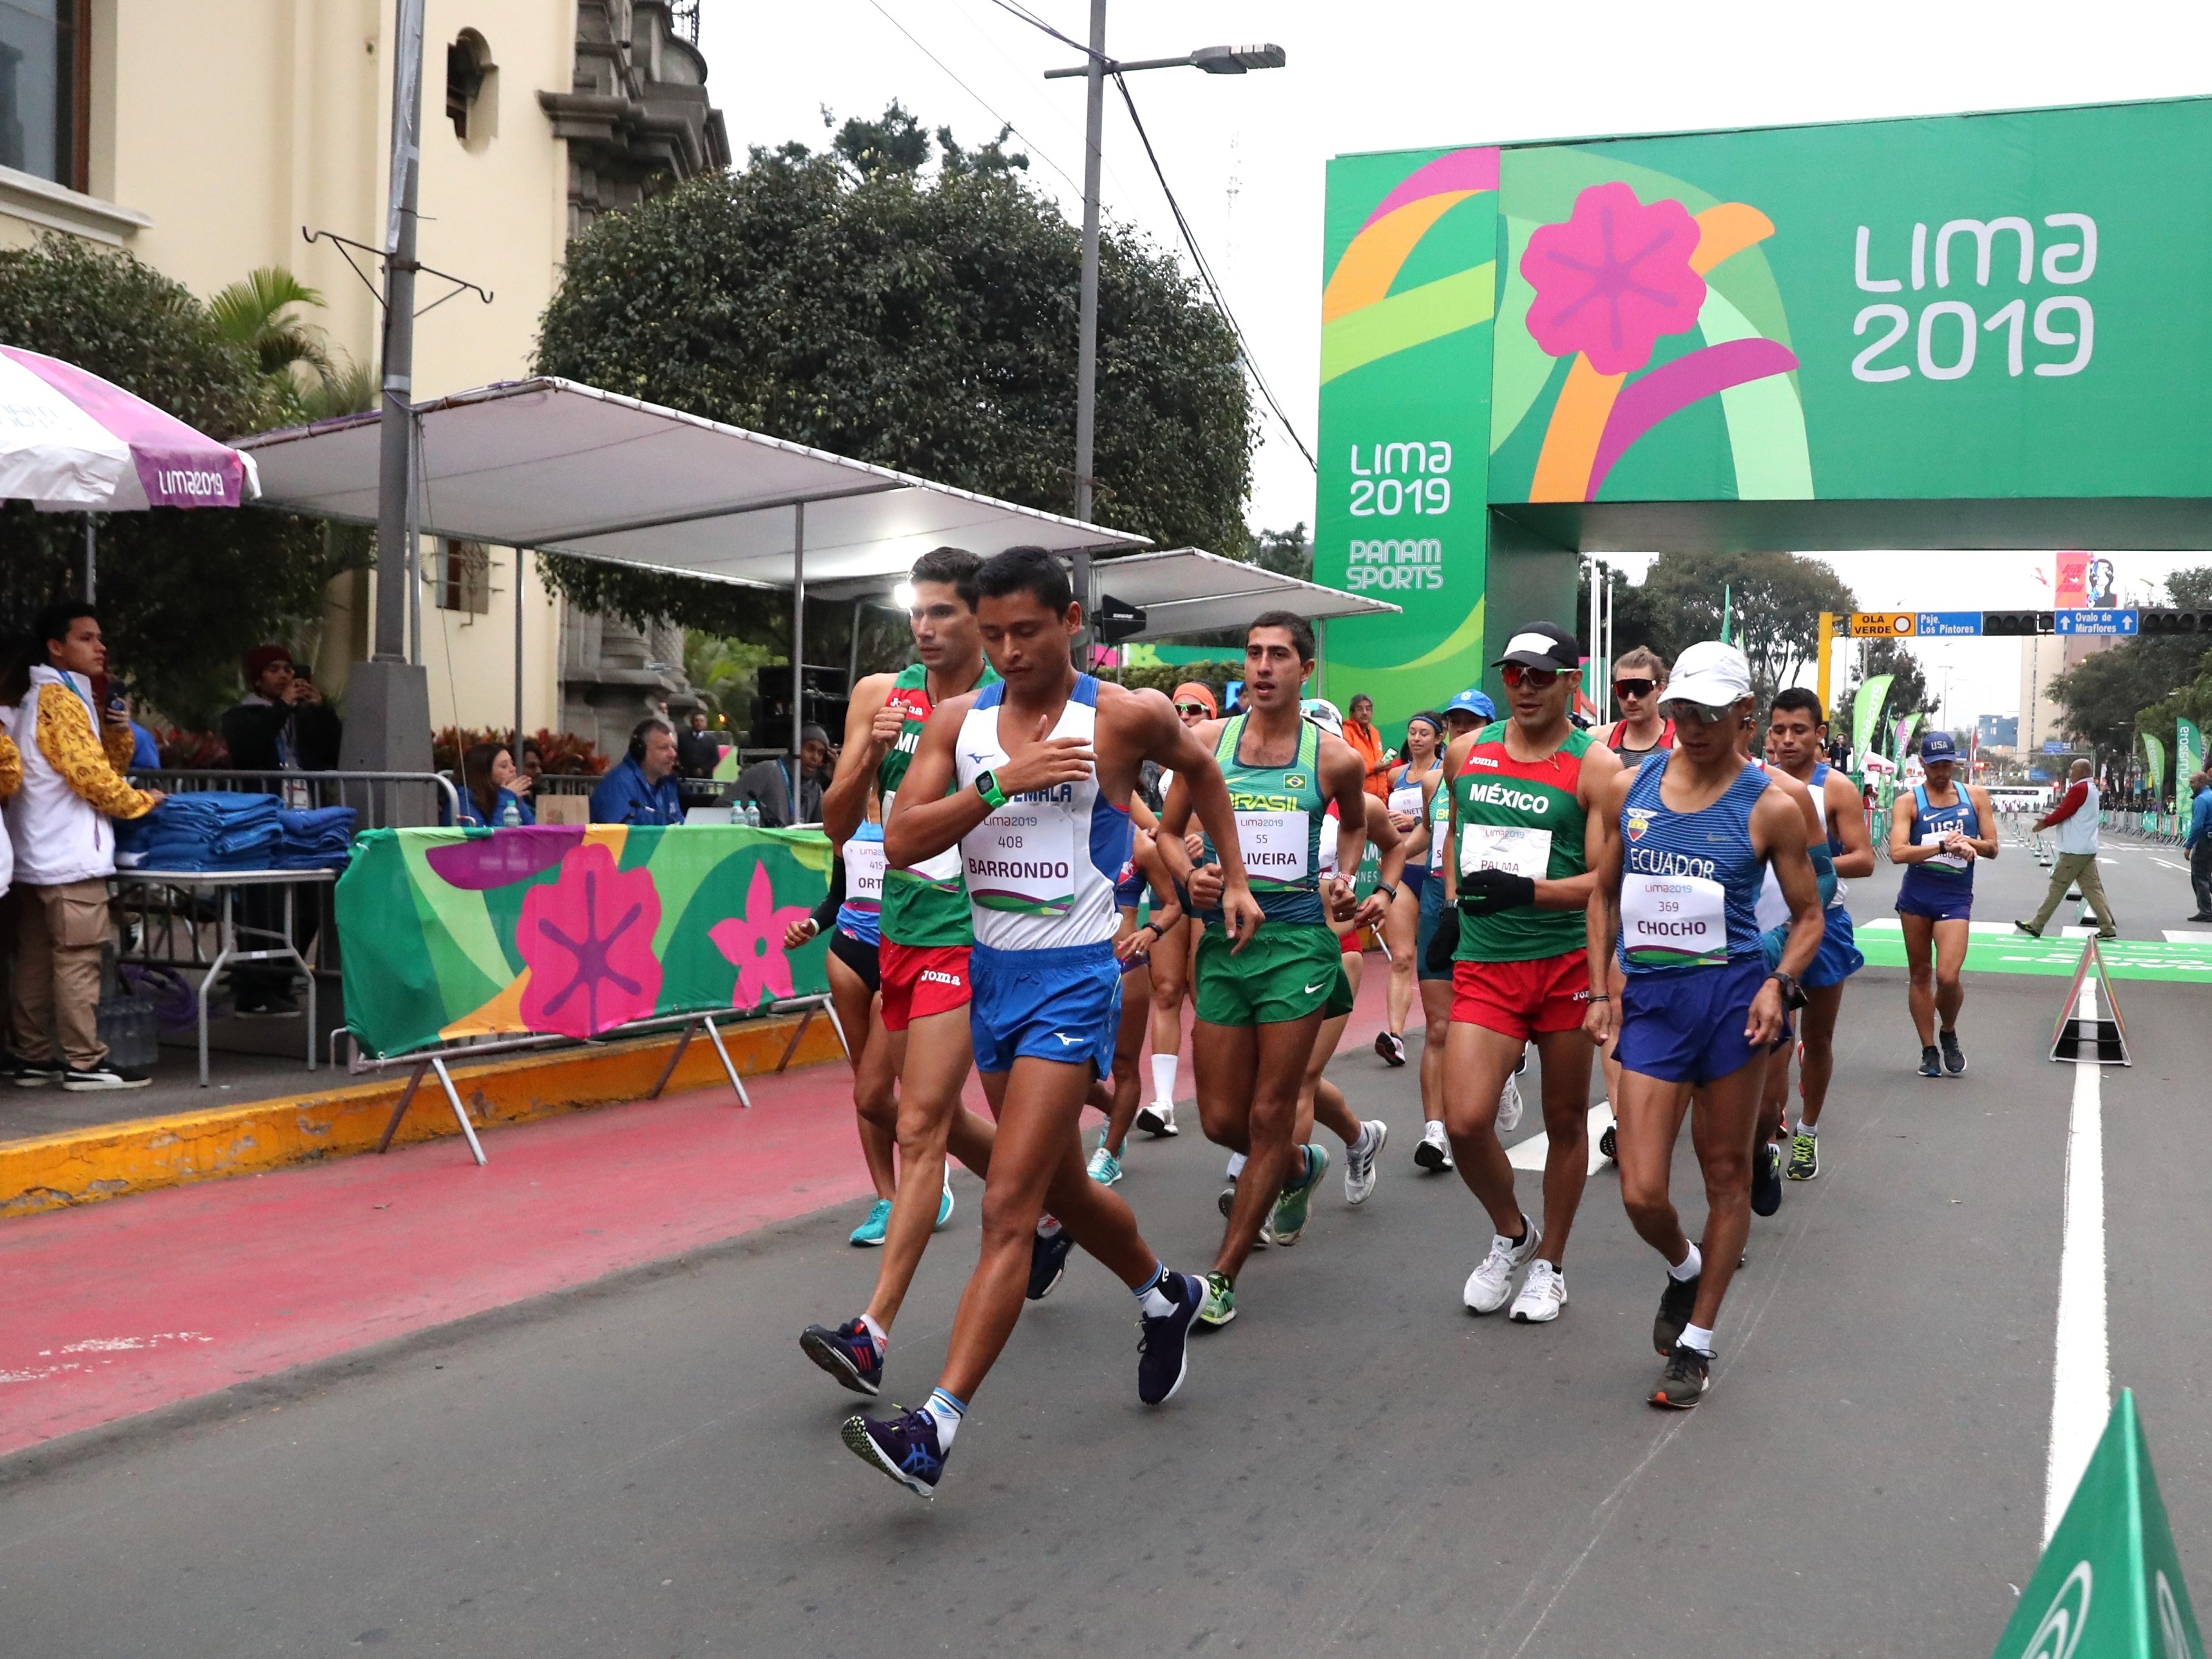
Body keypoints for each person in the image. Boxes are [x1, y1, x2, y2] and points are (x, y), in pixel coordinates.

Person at [839, 545, 1256, 1497]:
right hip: (992, 976)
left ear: (1072, 622)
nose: (1009, 649)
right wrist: (1000, 784)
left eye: (1027, 630)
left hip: (1075, 979)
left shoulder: (1122, 716)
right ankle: (1165, 1292)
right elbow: (901, 839)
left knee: (1009, 1207)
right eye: (993, 634)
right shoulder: (961, 721)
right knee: (1061, 1188)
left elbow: (1204, 771)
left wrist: (1230, 878)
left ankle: (933, 1429)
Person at [1584, 640, 1825, 1408]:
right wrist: (1599, 991)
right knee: (1642, 1191)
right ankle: (1684, 1269)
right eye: (1681, 708)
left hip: (1732, 1005)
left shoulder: (1773, 805)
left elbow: (1811, 916)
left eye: (1708, 713)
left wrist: (1779, 985)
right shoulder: (1632, 787)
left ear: (1744, 716)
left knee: (1725, 1175)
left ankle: (1697, 1344)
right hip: (1653, 1002)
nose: (1689, 724)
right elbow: (1602, 893)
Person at [802, 547, 1005, 1401]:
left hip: (975, 932)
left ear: (978, 618)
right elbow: (835, 821)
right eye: (915, 613)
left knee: (919, 1124)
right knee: (892, 1104)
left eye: (941, 613)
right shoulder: (880, 696)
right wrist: (865, 754)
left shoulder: (1005, 701)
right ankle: (1064, 1207)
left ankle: (873, 1329)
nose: (923, 628)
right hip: (898, 927)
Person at [1158, 612, 1368, 1332]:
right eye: (1253, 654)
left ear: (1306, 669)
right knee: (1221, 1119)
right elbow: (1166, 831)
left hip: (1299, 944)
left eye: (1279, 655)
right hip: (1225, 944)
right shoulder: (1205, 744)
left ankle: (1221, 1277)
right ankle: (1298, 1165)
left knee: (1270, 1111)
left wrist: (1340, 878)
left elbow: (1357, 823)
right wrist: (1194, 876)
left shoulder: (1334, 758)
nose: (1263, 666)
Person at [1424, 622, 1622, 1323]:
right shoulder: (1464, 753)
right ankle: (1513, 1232)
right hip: (1486, 960)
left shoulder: (1594, 767)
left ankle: (1552, 1264)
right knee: (1468, 1120)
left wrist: (1529, 893)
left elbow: (1604, 883)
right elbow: (1457, 836)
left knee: (1565, 1121)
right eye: (1515, 675)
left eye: (1541, 676)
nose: (1526, 688)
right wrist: (1450, 901)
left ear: (1573, 682)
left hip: (1566, 960)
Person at [2, 603, 165, 1090]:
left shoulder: (45, 698)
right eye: (87, 638)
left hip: (36, 854)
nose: (101, 647)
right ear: (56, 646)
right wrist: (139, 801)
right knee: (78, 959)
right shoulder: (60, 700)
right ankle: (85, 1060)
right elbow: (90, 776)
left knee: (34, 957)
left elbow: (98, 761)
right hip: (69, 856)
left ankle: (31, 1052)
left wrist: (115, 727)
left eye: (100, 637)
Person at [1289, 698, 1400, 1229]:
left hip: (1339, 949)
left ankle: (1276, 1189)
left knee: (1301, 1076)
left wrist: (1383, 891)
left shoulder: (1357, 807)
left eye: (1319, 736)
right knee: (1275, 1078)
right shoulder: (1275, 796)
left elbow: (1394, 849)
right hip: (1279, 950)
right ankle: (1359, 1137)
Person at [1755, 691, 1874, 1184]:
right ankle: (1765, 1133)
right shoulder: (1754, 782)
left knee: (1817, 1038)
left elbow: (1865, 858)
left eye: (1799, 730)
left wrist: (1802, 863)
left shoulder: (1837, 788)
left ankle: (1808, 1130)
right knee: (1771, 1038)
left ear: (1820, 734)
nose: (1787, 740)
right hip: (1766, 929)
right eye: (1778, 729)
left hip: (1823, 922)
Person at [1411, 687, 1496, 1171]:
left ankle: (1500, 1080)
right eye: (1455, 724)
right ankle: (1435, 1131)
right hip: (1438, 903)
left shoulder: (1504, 781)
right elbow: (1430, 834)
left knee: (1484, 1021)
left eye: (1471, 724)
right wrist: (1396, 862)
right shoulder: (1433, 784)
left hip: (1489, 909)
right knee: (1439, 1025)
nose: (1460, 732)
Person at [1135, 682, 1216, 1139]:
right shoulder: (1160, 771)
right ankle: (1163, 1101)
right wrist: (1163, 838)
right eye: (1177, 708)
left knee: (1204, 992)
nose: (1184, 715)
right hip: (1170, 883)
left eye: (1194, 709)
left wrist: (1206, 841)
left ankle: (1217, 1095)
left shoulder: (1224, 761)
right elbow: (1157, 824)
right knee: (1165, 990)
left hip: (1211, 886)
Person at [1891, 731, 1998, 1077]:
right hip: (1917, 896)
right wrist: (1942, 847)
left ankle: (1948, 1030)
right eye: (1935, 765)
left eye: (1948, 764)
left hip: (1954, 896)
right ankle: (1928, 1049)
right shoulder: (1908, 802)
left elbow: (1993, 847)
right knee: (1920, 975)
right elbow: (1898, 853)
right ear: (1922, 764)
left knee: (1948, 976)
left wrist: (1969, 844)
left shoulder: (1975, 796)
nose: (1942, 772)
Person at [1087, 825, 1184, 1185]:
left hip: (1125, 964)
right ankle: (1118, 1112)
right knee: (1068, 1071)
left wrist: (1151, 932)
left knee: (1124, 1065)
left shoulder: (1140, 844)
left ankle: (1108, 1155)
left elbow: (1173, 903)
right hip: (1074, 967)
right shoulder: (1065, 830)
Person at [1375, 709, 1445, 1068]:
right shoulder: (1394, 775)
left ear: (1438, 739)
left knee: (1445, 963)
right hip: (1403, 875)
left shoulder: (1443, 775)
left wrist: (1414, 820)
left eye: (1424, 733)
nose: (1416, 738)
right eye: (1412, 732)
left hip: (1438, 875)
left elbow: (1438, 823)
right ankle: (1396, 1036)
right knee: (1402, 957)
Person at [2015, 759, 2117, 942]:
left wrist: (2045, 823)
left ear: (2082, 771)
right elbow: (2071, 812)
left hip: (2074, 849)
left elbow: (2065, 811)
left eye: (2072, 769)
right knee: (2092, 889)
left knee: (2058, 886)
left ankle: (2037, 924)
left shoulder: (2079, 789)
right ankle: (2108, 927)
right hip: (2085, 847)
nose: (2070, 772)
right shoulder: (2092, 789)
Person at [221, 645, 343, 773]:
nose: (283, 676)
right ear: (257, 681)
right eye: (274, 670)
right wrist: (283, 705)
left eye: (288, 670)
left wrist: (322, 710)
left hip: (306, 790)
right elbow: (249, 749)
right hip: (266, 791)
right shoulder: (239, 715)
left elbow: (337, 752)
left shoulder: (304, 714)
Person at [589, 717, 685, 825]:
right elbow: (620, 838)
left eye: (673, 747)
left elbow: (679, 825)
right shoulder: (618, 786)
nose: (673, 754)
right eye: (664, 748)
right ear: (640, 751)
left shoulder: (668, 784)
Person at [1595, 647, 1674, 770]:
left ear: (1660, 689)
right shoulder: (1598, 740)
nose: (1631, 698)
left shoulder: (1682, 743)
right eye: (1623, 689)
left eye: (1640, 688)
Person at [450, 742, 535, 827]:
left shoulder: (508, 794)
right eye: (504, 766)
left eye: (512, 763)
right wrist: (506, 796)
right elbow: (488, 837)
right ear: (484, 773)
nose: (513, 769)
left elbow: (533, 829)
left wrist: (514, 799)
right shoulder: (464, 797)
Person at [1342, 692, 1394, 801]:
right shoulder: (1346, 732)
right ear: (1352, 714)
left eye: (1368, 709)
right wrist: (1374, 768)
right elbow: (1346, 769)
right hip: (1358, 799)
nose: (1365, 713)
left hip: (1380, 798)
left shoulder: (1375, 732)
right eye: (1360, 709)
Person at [2186, 771, 2212, 922]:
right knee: (2206, 875)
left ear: (2202, 782)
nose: (2190, 786)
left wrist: (2189, 845)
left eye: (2193, 782)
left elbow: (2197, 825)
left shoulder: (2201, 800)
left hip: (2206, 840)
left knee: (2199, 876)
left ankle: (2206, 911)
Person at [676, 709, 723, 779]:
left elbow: (715, 759)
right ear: (692, 722)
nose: (699, 723)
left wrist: (703, 769)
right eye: (697, 721)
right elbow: (679, 755)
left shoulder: (711, 740)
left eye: (702, 721)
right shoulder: (683, 737)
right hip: (686, 777)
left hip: (705, 778)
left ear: (706, 723)